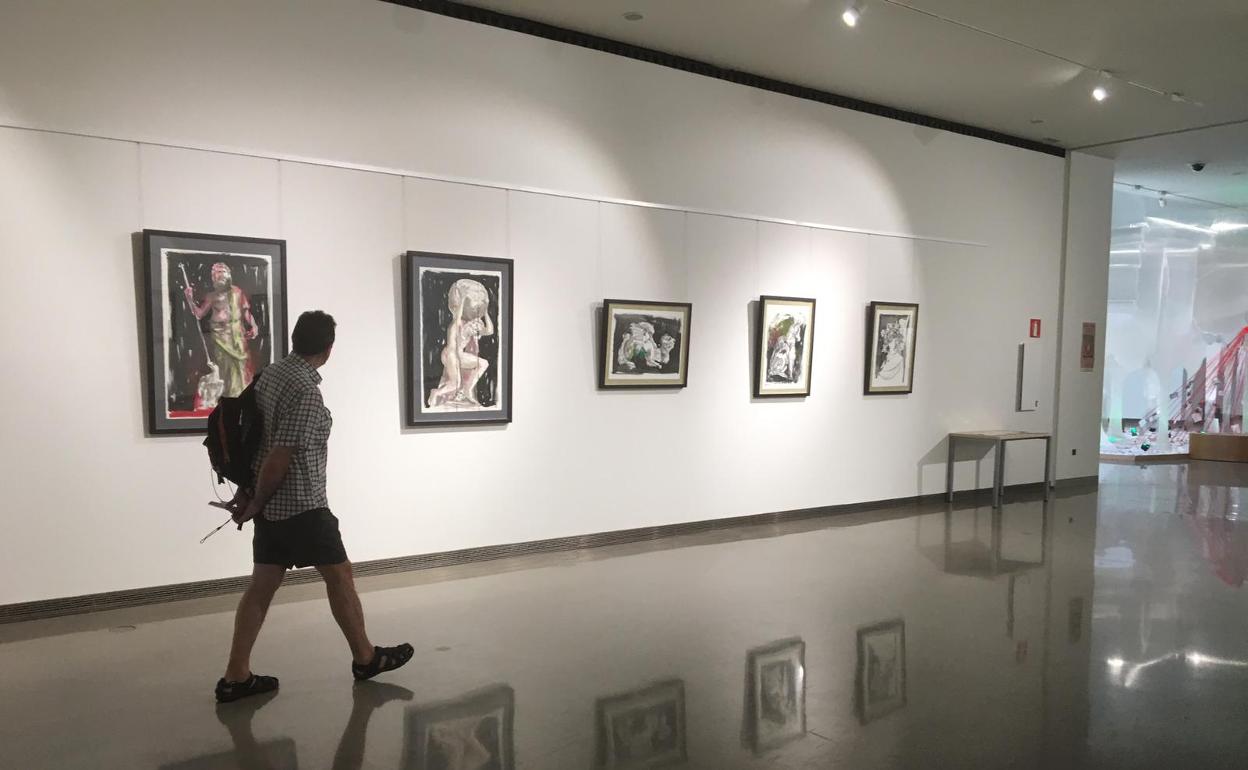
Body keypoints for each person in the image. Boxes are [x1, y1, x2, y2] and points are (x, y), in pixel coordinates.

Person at [215, 310, 413, 703]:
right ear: (329, 348)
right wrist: (256, 501)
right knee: (339, 575)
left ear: (295, 339)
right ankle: (366, 658)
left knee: (262, 585)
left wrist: (251, 496)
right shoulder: (305, 390)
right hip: (301, 504)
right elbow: (280, 456)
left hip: (271, 507)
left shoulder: (271, 374)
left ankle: (236, 677)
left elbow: (253, 441)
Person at [184, 262, 260, 400]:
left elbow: (246, 313)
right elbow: (199, 314)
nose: (218, 275)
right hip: (220, 338)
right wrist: (189, 299)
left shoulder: (237, 292)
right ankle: (228, 398)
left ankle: (241, 396)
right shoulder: (212, 296)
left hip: (237, 337)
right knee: (224, 369)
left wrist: (254, 326)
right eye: (215, 273)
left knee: (240, 369)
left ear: (228, 274)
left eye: (221, 272)